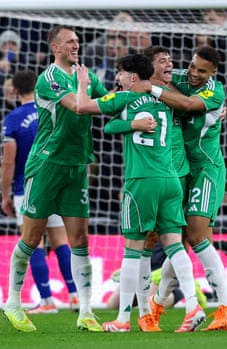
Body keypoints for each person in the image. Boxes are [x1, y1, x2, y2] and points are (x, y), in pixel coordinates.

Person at [76, 53, 205, 333]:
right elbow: (113, 120)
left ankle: (123, 319)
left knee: (133, 250)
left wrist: (84, 83)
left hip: (141, 181)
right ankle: (193, 306)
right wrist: (131, 123)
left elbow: (82, 107)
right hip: (170, 179)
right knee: (174, 245)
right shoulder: (164, 98)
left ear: (132, 77)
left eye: (120, 73)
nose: (117, 79)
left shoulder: (125, 97)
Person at [1, 25, 108, 333]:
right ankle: (13, 302)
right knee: (32, 239)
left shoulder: (85, 74)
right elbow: (79, 105)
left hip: (75, 167)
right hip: (45, 167)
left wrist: (137, 100)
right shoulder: (49, 79)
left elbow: (109, 100)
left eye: (77, 40)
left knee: (80, 240)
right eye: (70, 41)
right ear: (55, 48)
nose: (76, 44)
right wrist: (90, 87)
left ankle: (85, 310)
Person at [148, 45, 227, 331]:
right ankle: (159, 301)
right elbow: (154, 78)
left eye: (202, 71)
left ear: (213, 72)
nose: (193, 74)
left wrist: (153, 89)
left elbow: (188, 105)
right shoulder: (179, 77)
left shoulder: (215, 92)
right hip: (181, 169)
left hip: (206, 169)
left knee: (197, 235)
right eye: (192, 66)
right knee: (181, 240)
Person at [1, 70, 79, 315]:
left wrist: (4, 194)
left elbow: (9, 161)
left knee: (32, 242)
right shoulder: (50, 112)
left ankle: (47, 301)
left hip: (28, 188)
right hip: (56, 185)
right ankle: (75, 295)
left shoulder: (12, 119)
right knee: (60, 242)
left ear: (14, 91)